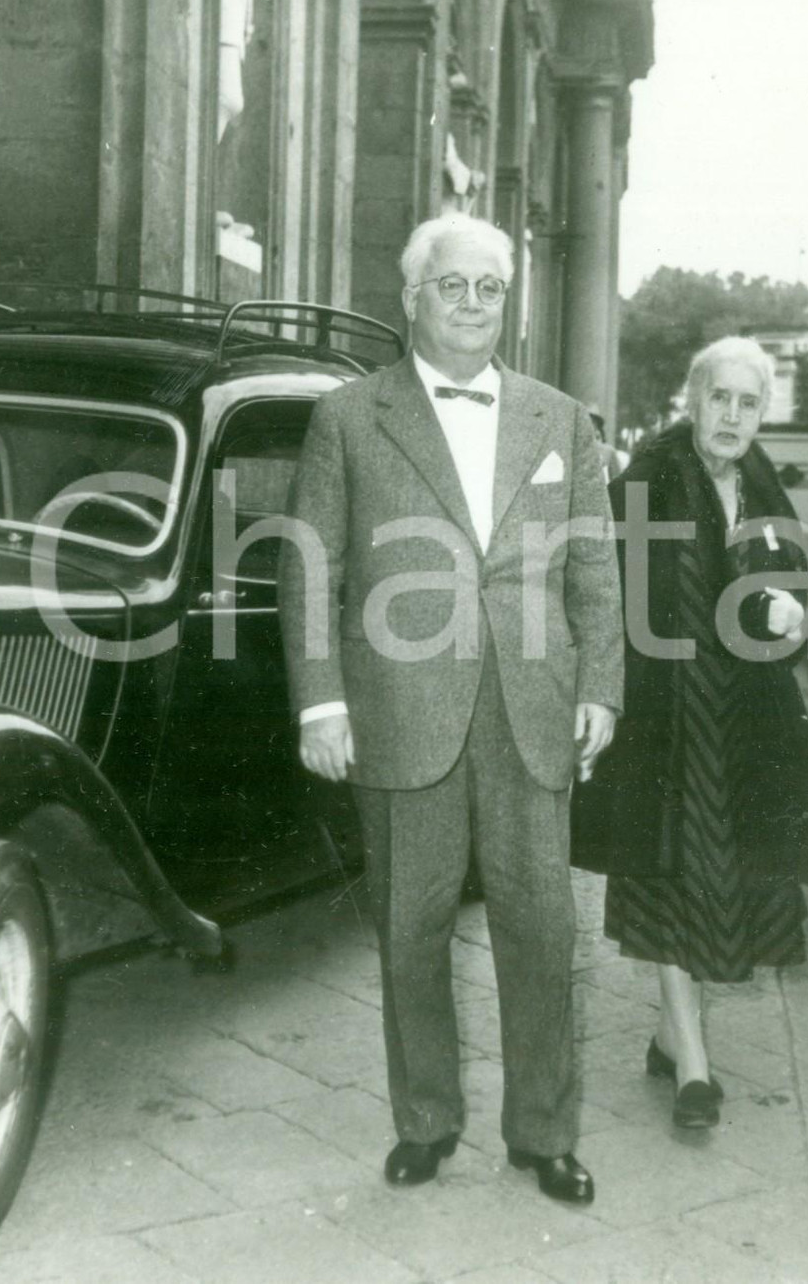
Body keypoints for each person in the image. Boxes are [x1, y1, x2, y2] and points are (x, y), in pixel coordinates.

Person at [279, 215, 623, 1202]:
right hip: (397, 707)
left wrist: (601, 683)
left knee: (541, 930)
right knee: (410, 925)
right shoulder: (349, 417)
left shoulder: (560, 419)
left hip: (531, 705)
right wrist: (320, 705)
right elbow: (312, 569)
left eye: (487, 289)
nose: (472, 305)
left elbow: (595, 568)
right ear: (412, 298)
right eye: (452, 287)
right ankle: (424, 1120)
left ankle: (543, 1133)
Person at [571, 336, 808, 1130]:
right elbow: (599, 595)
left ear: (764, 412)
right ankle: (693, 1066)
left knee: (732, 894)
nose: (731, 415)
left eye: (747, 402)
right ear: (693, 400)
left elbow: (786, 584)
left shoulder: (758, 481)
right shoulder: (649, 474)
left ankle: (666, 1035)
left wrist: (793, 612)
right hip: (667, 726)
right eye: (718, 398)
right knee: (673, 887)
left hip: (743, 730)